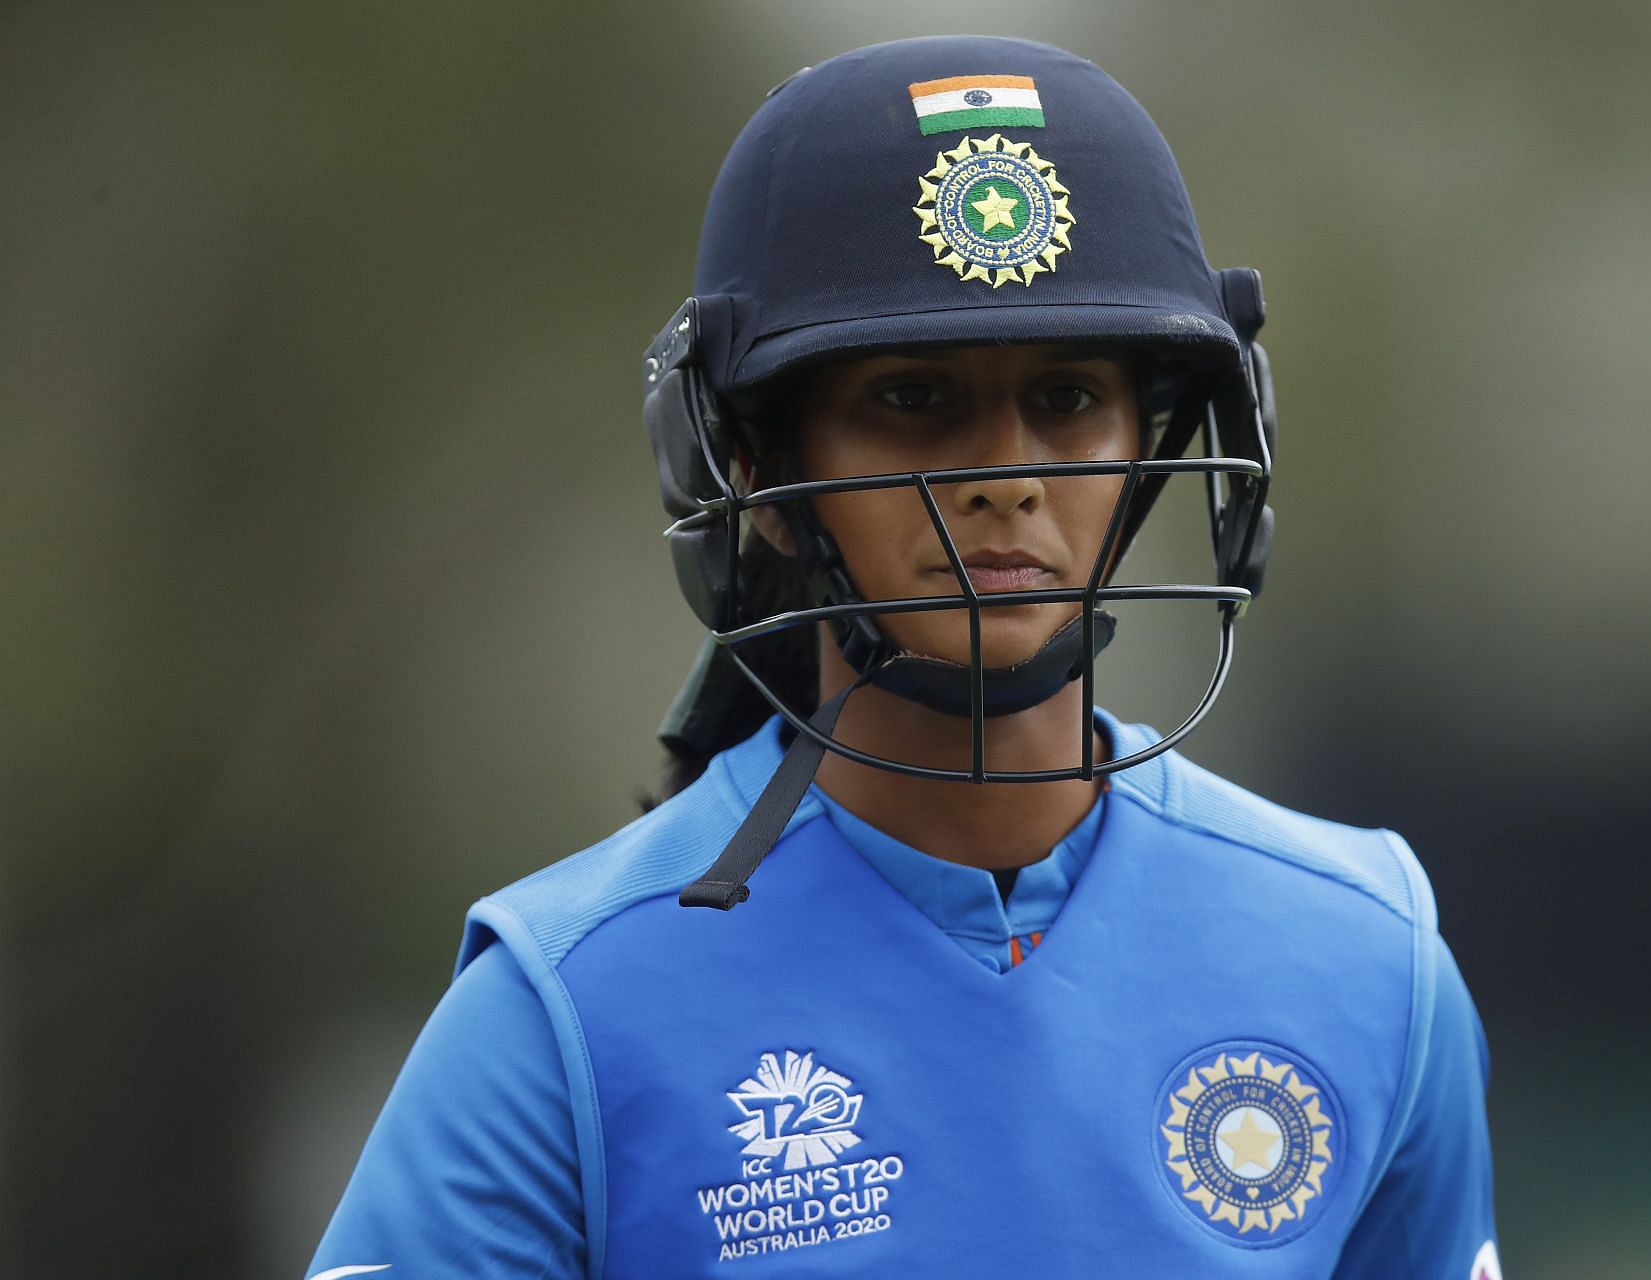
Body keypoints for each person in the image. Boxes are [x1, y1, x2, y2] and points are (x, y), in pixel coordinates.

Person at [308, 34, 1499, 1279]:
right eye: (916, 397)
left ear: (1151, 447)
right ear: (756, 473)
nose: (1007, 478)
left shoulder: (1368, 957)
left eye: (1069, 395)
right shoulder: (560, 1011)